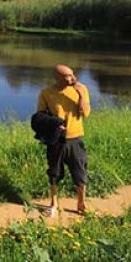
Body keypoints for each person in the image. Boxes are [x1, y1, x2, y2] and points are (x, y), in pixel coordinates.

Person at [37, 64, 91, 216]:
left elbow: (85, 113)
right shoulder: (46, 93)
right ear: (57, 78)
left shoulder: (82, 89)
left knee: (80, 171)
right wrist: (53, 124)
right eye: (68, 76)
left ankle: (81, 203)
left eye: (72, 74)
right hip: (56, 140)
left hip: (75, 138)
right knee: (54, 172)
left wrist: (80, 95)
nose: (72, 78)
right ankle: (54, 204)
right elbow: (40, 115)